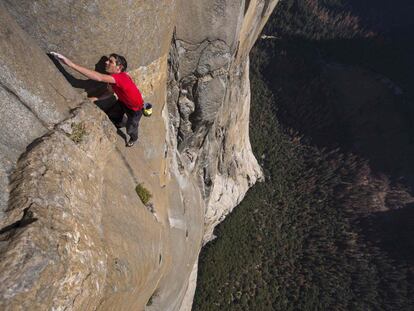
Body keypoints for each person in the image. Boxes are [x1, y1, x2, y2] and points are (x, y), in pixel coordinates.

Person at [52, 52, 144, 147]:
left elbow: (99, 78)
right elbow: (110, 92)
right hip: (123, 102)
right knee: (113, 115)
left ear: (119, 67)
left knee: (131, 128)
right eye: (107, 60)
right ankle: (123, 122)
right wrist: (94, 98)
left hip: (135, 109)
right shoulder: (113, 79)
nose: (106, 62)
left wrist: (71, 64)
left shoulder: (121, 78)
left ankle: (134, 138)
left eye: (110, 62)